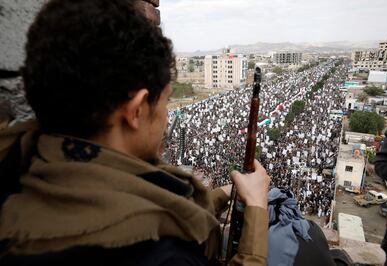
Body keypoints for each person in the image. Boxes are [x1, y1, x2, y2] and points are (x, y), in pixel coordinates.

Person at [0, 0, 270, 265]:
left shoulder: (20, 164)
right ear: (137, 110)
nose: (165, 117)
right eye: (165, 100)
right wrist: (257, 210)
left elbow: (154, 205)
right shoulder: (159, 254)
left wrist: (223, 194)